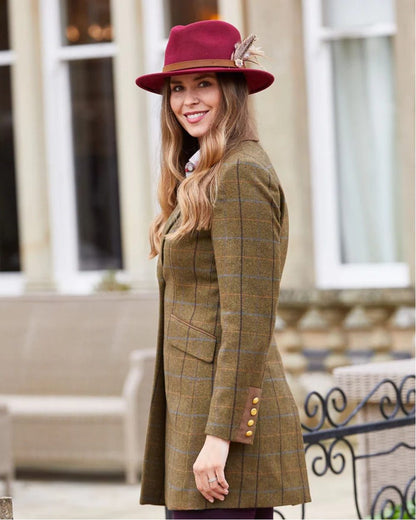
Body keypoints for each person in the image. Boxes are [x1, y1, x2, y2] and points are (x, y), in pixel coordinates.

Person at [135, 19, 311, 520]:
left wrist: (219, 439)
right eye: (177, 88)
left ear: (232, 89)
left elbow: (247, 322)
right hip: (197, 421)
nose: (188, 100)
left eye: (203, 84)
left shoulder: (240, 174)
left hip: (222, 437)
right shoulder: (204, 173)